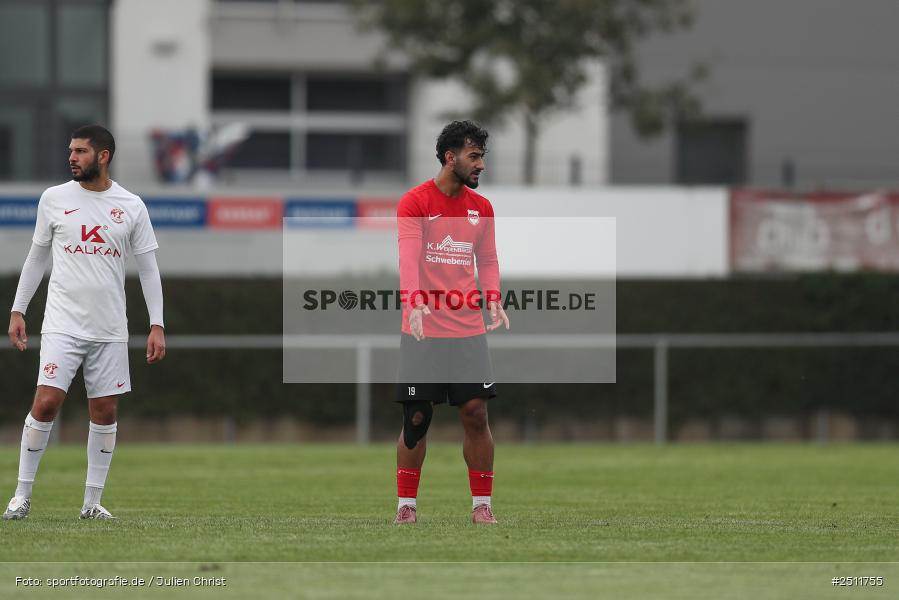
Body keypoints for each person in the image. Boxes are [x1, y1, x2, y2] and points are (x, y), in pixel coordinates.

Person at [3, 125, 165, 521]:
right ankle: (21, 496)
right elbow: (37, 257)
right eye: (70, 150)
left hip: (110, 329)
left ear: (103, 155)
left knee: (105, 412)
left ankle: (91, 504)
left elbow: (148, 270)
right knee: (46, 402)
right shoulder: (54, 198)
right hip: (62, 324)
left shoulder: (131, 205)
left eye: (80, 151)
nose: (71, 157)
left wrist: (157, 323)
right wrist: (18, 309)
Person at [394, 121, 509, 525]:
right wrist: (414, 304)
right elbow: (408, 258)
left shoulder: (482, 208)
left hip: (467, 329)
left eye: (482, 157)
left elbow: (489, 260)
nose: (480, 165)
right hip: (423, 326)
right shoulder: (415, 202)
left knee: (476, 412)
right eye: (474, 156)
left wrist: (493, 299)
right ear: (450, 157)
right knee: (417, 418)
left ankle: (482, 505)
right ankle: (405, 508)